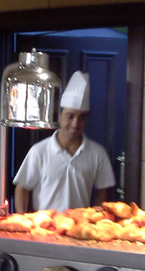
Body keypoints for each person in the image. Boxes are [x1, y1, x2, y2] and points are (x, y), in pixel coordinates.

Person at [13, 70, 116, 213]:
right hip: (45, 224)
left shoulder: (98, 153)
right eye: (70, 116)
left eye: (82, 118)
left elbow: (103, 190)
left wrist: (96, 219)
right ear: (60, 116)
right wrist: (23, 220)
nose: (75, 124)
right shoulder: (39, 151)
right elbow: (22, 188)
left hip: (80, 224)